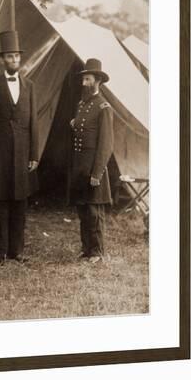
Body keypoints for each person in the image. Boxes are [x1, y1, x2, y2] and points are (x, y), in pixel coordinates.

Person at [0, 31, 39, 263]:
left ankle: (18, 252)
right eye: (9, 56)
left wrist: (34, 154)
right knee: (3, 202)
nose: (14, 60)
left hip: (24, 152)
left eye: (17, 56)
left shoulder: (30, 86)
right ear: (2, 60)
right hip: (2, 152)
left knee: (20, 203)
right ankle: (0, 252)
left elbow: (34, 122)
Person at [69, 58, 114, 264]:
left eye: (87, 79)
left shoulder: (103, 107)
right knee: (82, 208)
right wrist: (74, 123)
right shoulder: (81, 104)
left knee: (94, 210)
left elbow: (106, 144)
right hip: (80, 165)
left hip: (94, 166)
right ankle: (87, 249)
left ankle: (97, 252)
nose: (84, 83)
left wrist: (97, 173)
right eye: (83, 79)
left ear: (97, 82)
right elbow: (82, 128)